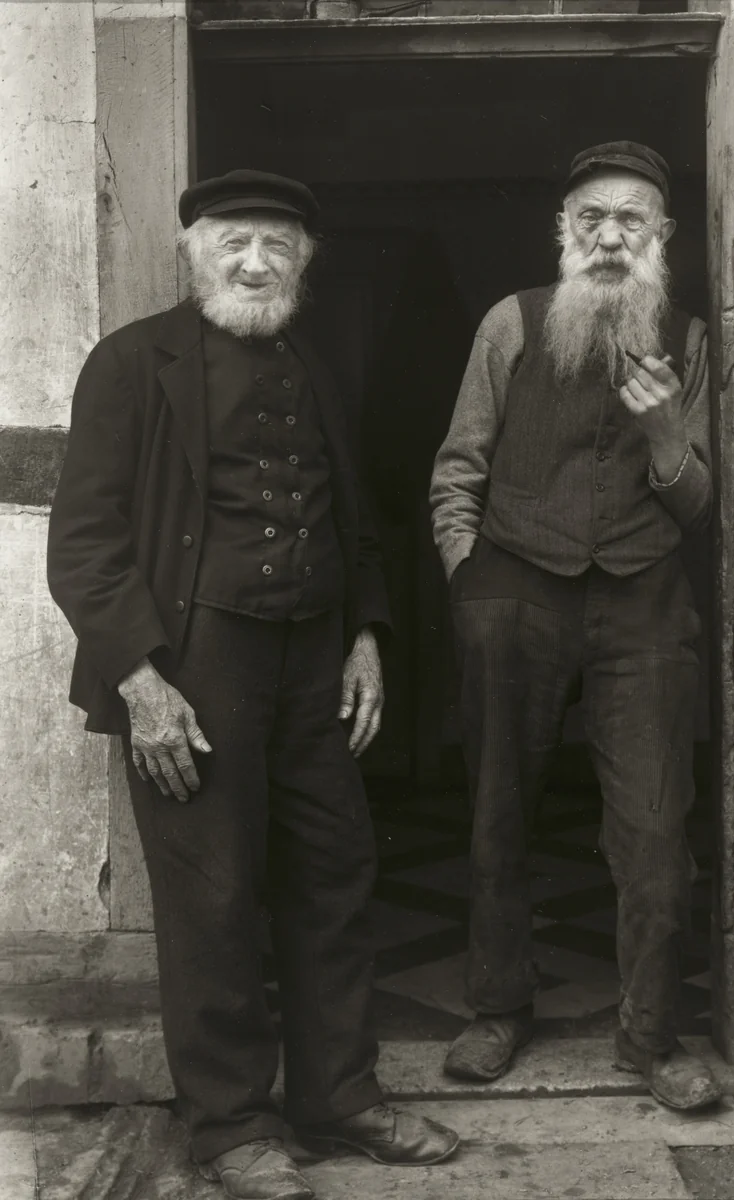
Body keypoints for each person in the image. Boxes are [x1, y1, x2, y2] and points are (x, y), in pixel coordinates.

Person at [48, 170, 459, 1200]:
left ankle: (340, 1099)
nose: (255, 262)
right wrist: (142, 683)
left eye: (278, 246)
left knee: (335, 876)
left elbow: (353, 518)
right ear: (193, 253)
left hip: (312, 663)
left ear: (304, 264)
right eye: (233, 242)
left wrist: (366, 636)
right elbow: (85, 545)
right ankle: (231, 1126)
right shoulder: (131, 362)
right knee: (213, 898)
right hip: (193, 668)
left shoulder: (312, 365)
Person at [429, 142, 722, 1112]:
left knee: (653, 825)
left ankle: (651, 1037)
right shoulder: (508, 324)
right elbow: (457, 465)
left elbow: (697, 507)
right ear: (564, 232)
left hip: (642, 597)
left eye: (629, 221)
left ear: (660, 237)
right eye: (590, 219)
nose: (608, 237)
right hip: (513, 588)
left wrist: (669, 434)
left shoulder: (687, 337)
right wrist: (468, 574)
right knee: (498, 808)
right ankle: (497, 1008)